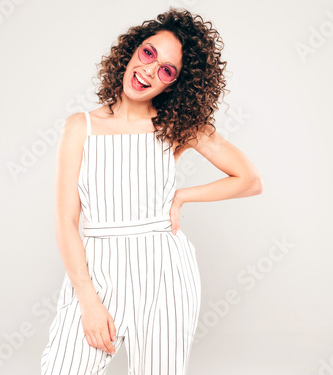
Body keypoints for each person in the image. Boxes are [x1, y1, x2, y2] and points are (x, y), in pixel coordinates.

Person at [40, 7, 263, 375]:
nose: (149, 70)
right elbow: (66, 221)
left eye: (167, 69)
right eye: (148, 53)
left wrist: (182, 196)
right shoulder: (81, 127)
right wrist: (88, 299)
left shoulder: (176, 126)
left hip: (165, 274)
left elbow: (250, 180)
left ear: (175, 83)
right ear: (131, 50)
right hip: (98, 271)